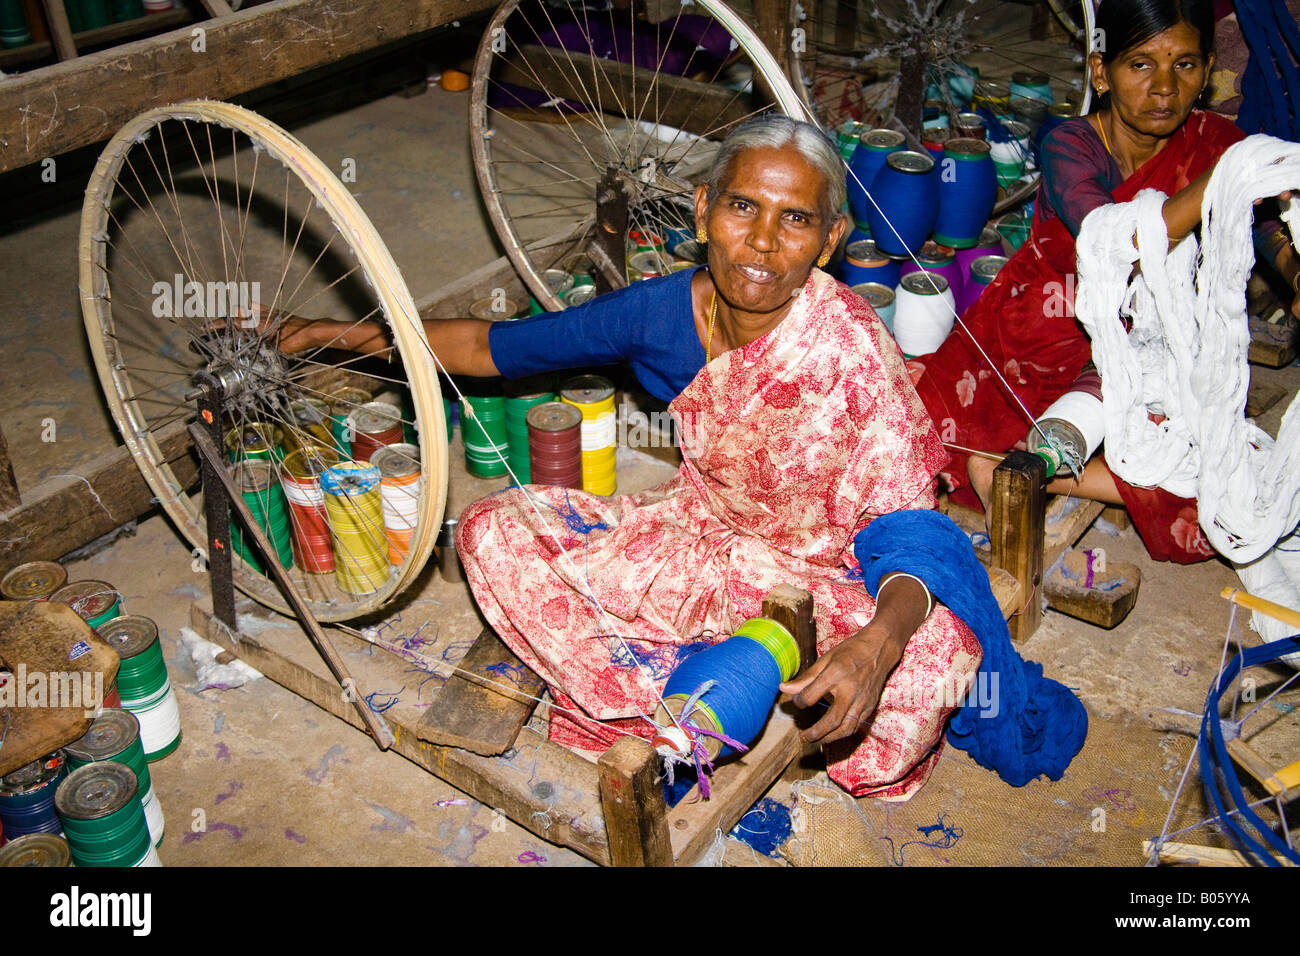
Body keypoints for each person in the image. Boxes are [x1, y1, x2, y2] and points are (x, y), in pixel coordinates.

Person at [274, 116, 1084, 799]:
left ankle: (706, 688)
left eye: (795, 219)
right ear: (702, 212)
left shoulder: (848, 349)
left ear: (832, 239)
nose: (762, 244)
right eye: (742, 207)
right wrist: (333, 337)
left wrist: (874, 644)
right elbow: (495, 346)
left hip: (830, 580)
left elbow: (912, 530)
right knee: (491, 532)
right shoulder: (659, 313)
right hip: (700, 546)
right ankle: (709, 691)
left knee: (923, 675)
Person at [909, 0, 1300, 563]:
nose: (1164, 87)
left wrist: (1292, 267)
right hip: (1044, 329)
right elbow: (1114, 238)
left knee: (1220, 492)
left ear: (1208, 71)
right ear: (1101, 72)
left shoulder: (1217, 143)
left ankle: (1037, 473)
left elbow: (1260, 227)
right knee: (910, 432)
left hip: (1151, 343)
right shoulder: (1069, 143)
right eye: (1140, 65)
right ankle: (1025, 458)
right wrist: (1225, 179)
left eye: (1185, 66)